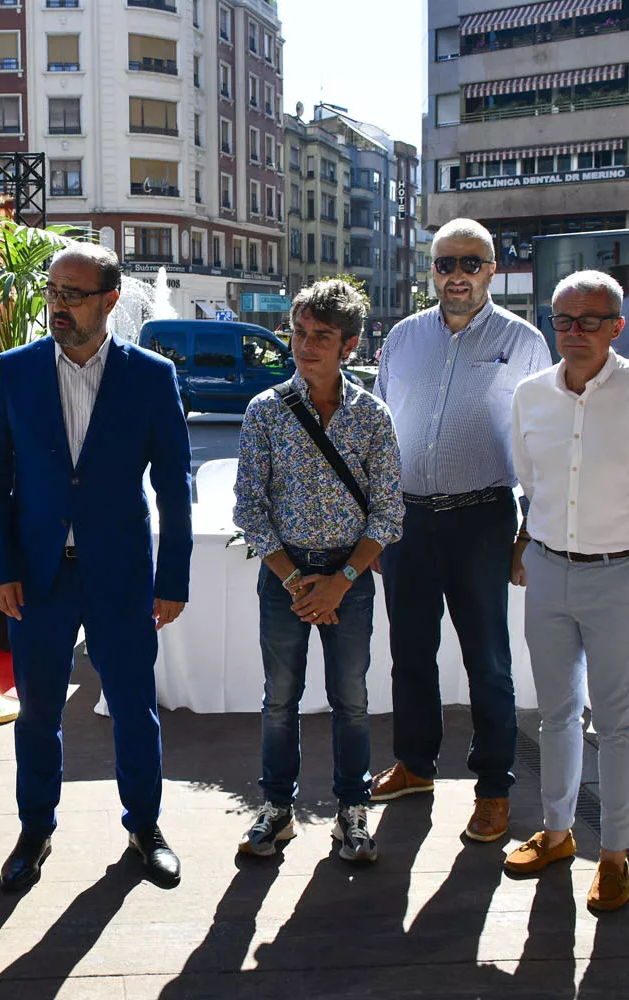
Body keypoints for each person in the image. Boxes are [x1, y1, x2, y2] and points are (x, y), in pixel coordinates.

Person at [0, 242, 193, 892]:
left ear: (109, 300)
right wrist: (0, 568)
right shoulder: (14, 371)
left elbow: (175, 483)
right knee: (38, 710)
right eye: (53, 292)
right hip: (37, 577)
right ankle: (34, 831)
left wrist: (172, 578)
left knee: (132, 708)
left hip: (121, 572)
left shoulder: (150, 375)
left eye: (72, 294)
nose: (58, 305)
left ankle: (144, 827)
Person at [505, 269, 629, 912]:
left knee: (616, 724)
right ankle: (557, 834)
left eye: (591, 320)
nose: (575, 332)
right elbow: (530, 480)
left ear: (617, 326)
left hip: (622, 572)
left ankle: (614, 854)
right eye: (564, 320)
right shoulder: (532, 395)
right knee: (554, 715)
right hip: (550, 569)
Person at [369, 217, 552, 844]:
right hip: (408, 519)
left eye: (470, 264)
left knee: (488, 659)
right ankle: (416, 764)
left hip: (482, 517)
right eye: (445, 263)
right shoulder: (402, 338)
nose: (456, 276)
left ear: (491, 270)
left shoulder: (524, 342)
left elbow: (542, 440)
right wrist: (377, 522)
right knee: (409, 653)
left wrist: (530, 531)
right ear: (433, 269)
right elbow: (379, 432)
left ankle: (494, 786)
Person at [232, 279, 404, 863]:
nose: (305, 346)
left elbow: (388, 512)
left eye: (321, 337)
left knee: (350, 699)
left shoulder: (373, 417)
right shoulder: (266, 411)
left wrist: (340, 582)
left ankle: (351, 813)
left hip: (347, 583)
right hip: (285, 580)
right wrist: (293, 580)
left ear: (349, 345)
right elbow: (249, 509)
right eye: (299, 333)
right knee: (279, 698)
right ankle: (277, 809)